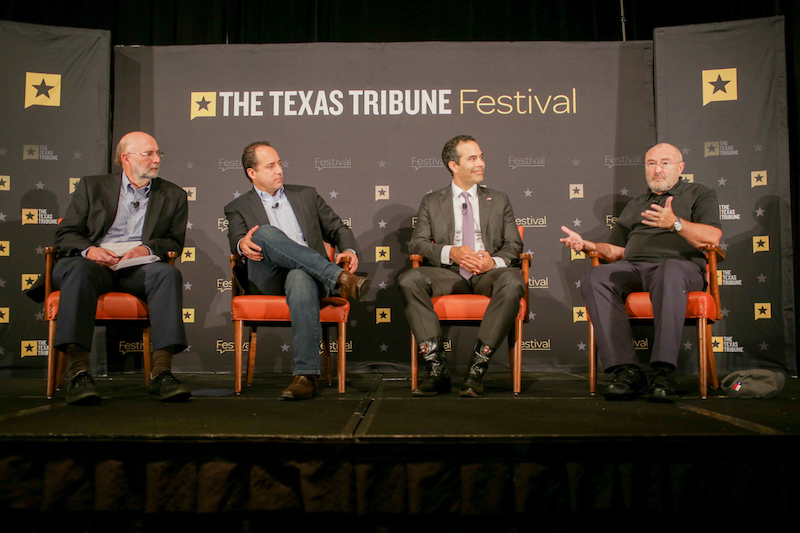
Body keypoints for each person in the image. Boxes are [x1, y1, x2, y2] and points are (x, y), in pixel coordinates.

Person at [560, 142, 721, 402]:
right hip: (635, 267)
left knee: (669, 270)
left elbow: (712, 237)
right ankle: (626, 371)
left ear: (680, 168)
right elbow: (615, 250)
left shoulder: (699, 193)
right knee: (596, 275)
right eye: (651, 163)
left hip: (681, 268)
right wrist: (588, 245)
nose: (658, 169)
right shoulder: (636, 203)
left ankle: (662, 372)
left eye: (665, 163)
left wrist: (676, 224)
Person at [52, 131, 191, 405]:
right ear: (126, 158)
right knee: (79, 271)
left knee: (168, 274)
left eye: (158, 153)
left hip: (136, 267)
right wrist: (91, 251)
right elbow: (66, 233)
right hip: (91, 264)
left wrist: (146, 248)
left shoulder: (173, 194)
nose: (156, 160)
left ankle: (162, 374)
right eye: (148, 154)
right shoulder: (92, 187)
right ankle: (79, 373)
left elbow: (173, 241)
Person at [224, 141, 370, 400]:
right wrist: (241, 243)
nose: (279, 170)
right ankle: (340, 278)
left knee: (299, 275)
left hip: (309, 278)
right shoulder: (237, 206)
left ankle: (305, 376)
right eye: (270, 166)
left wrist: (349, 250)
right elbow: (237, 238)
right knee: (265, 233)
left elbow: (339, 229)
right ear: (252, 173)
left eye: (279, 163)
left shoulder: (306, 195)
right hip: (268, 279)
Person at [399, 135, 525, 398]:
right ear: (453, 166)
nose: (481, 163)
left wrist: (493, 260)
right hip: (448, 273)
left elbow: (514, 245)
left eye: (481, 156)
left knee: (513, 280)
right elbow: (418, 244)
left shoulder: (499, 200)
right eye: (473, 158)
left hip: (488, 273)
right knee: (410, 279)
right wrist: (451, 252)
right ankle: (437, 371)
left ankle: (476, 371)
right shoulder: (432, 201)